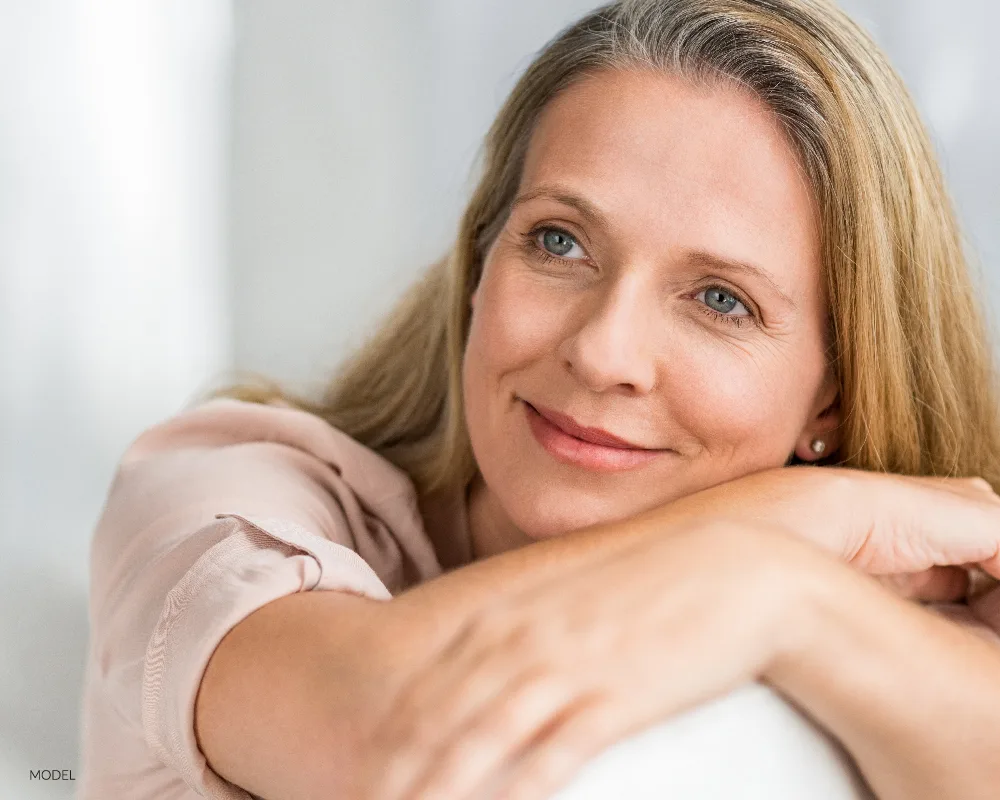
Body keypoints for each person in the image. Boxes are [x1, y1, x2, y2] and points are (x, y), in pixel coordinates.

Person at [78, 0, 1000, 798]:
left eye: (721, 299)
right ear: (479, 263)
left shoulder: (881, 584)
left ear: (831, 401)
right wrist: (768, 553)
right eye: (560, 242)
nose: (603, 352)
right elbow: (388, 749)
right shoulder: (220, 502)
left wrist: (783, 590)